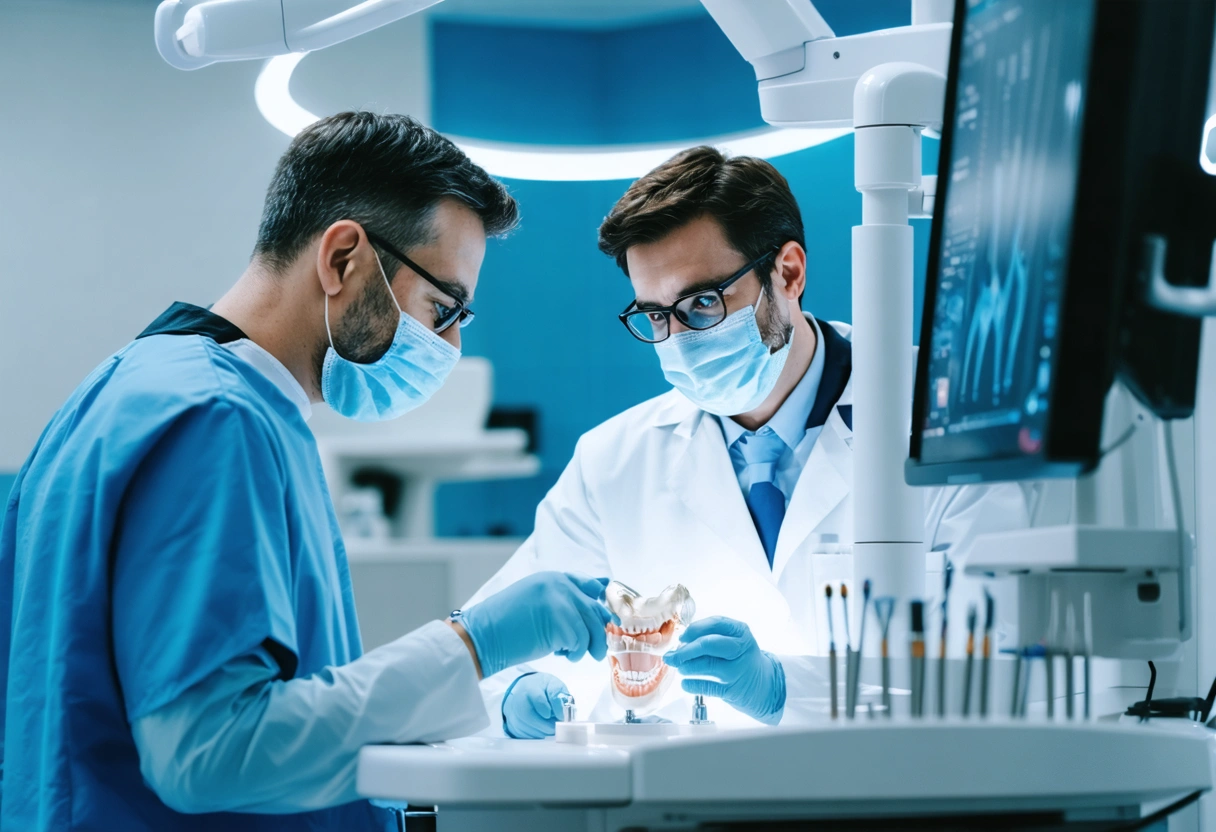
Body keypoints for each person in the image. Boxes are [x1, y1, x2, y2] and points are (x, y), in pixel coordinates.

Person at [0, 112, 616, 832]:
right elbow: (207, 752)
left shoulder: (127, 390)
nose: (448, 346)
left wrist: (480, 698)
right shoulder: (218, 421)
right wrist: (473, 645)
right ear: (344, 258)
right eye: (442, 308)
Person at [466, 146, 1029, 738]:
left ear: (788, 272)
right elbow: (491, 646)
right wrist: (514, 694)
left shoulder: (952, 418)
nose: (677, 340)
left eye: (703, 303)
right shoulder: (614, 461)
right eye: (655, 316)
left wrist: (786, 689)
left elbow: (1002, 676)